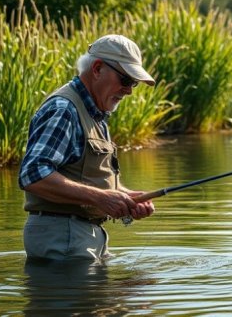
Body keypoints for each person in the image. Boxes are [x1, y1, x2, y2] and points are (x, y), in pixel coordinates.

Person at [19, 34, 155, 261]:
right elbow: (32, 175)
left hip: (79, 238)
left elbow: (86, 177)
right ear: (98, 68)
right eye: (126, 80)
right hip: (63, 238)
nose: (129, 90)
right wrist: (100, 198)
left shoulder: (96, 114)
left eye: (134, 83)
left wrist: (125, 196)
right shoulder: (64, 109)